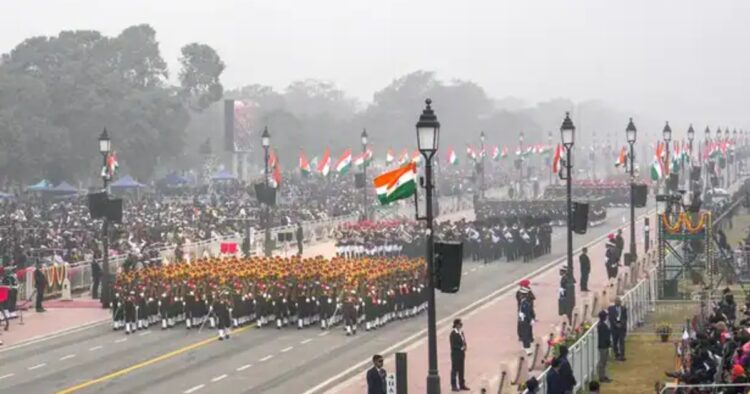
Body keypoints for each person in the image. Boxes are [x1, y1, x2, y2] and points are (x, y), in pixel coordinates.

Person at [450, 318, 470, 391]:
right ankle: (454, 386)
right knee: (454, 370)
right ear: (456, 325)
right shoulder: (453, 334)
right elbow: (453, 345)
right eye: (460, 324)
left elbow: (464, 340)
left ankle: (462, 384)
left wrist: (465, 345)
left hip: (461, 354)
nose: (461, 325)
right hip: (455, 355)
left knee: (462, 370)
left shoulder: (461, 332)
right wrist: (461, 348)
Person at [608, 297, 628, 361]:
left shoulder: (623, 309)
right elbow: (610, 318)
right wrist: (616, 324)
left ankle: (622, 355)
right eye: (617, 301)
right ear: (615, 302)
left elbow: (625, 318)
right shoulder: (611, 309)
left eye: (619, 301)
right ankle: (617, 355)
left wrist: (621, 324)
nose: (618, 302)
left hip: (621, 329)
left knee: (622, 342)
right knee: (615, 342)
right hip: (614, 329)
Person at [596, 310, 612, 382]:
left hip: (604, 345)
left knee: (604, 362)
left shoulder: (601, 325)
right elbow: (605, 336)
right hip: (603, 346)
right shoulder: (602, 325)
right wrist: (608, 343)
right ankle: (601, 377)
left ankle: (603, 376)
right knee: (602, 362)